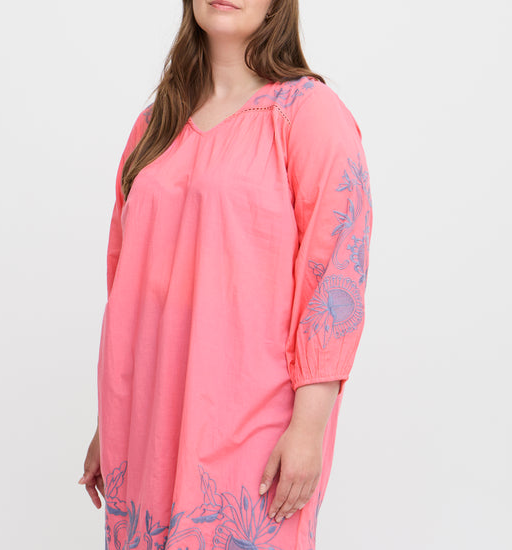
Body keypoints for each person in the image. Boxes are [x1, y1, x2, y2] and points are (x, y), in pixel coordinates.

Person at [79, 1, 373, 548]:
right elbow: (129, 284)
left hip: (254, 421)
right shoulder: (154, 125)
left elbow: (337, 276)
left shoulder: (309, 115)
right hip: (147, 420)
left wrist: (308, 428)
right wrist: (109, 421)